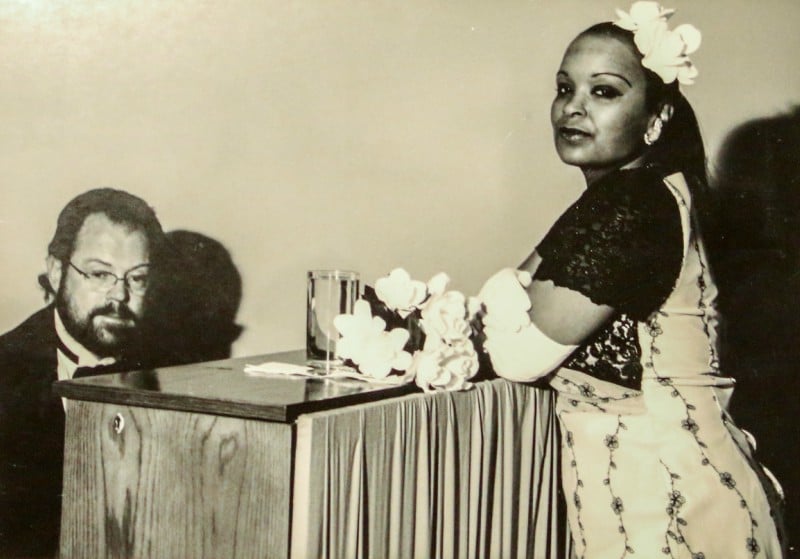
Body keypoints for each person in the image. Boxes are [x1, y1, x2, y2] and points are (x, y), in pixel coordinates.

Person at [478, 2, 785, 557]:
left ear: (656, 117)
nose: (572, 108)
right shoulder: (638, 195)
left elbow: (516, 357)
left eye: (604, 91)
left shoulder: (632, 205)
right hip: (658, 490)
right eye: (564, 87)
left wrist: (499, 285)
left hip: (669, 503)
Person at [0, 188, 164, 557]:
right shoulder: (5, 370)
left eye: (136, 278)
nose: (118, 296)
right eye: (99, 274)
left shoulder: (177, 369)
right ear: (57, 270)